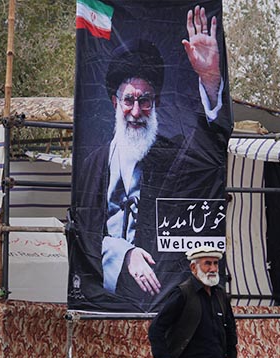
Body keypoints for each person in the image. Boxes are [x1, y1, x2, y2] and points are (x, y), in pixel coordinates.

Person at [73, 5, 230, 309]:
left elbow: (211, 148)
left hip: (160, 296)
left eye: (145, 101)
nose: (136, 111)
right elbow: (82, 233)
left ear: (156, 102)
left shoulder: (172, 157)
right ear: (114, 103)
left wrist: (210, 79)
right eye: (129, 100)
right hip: (102, 296)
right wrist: (123, 253)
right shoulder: (92, 164)